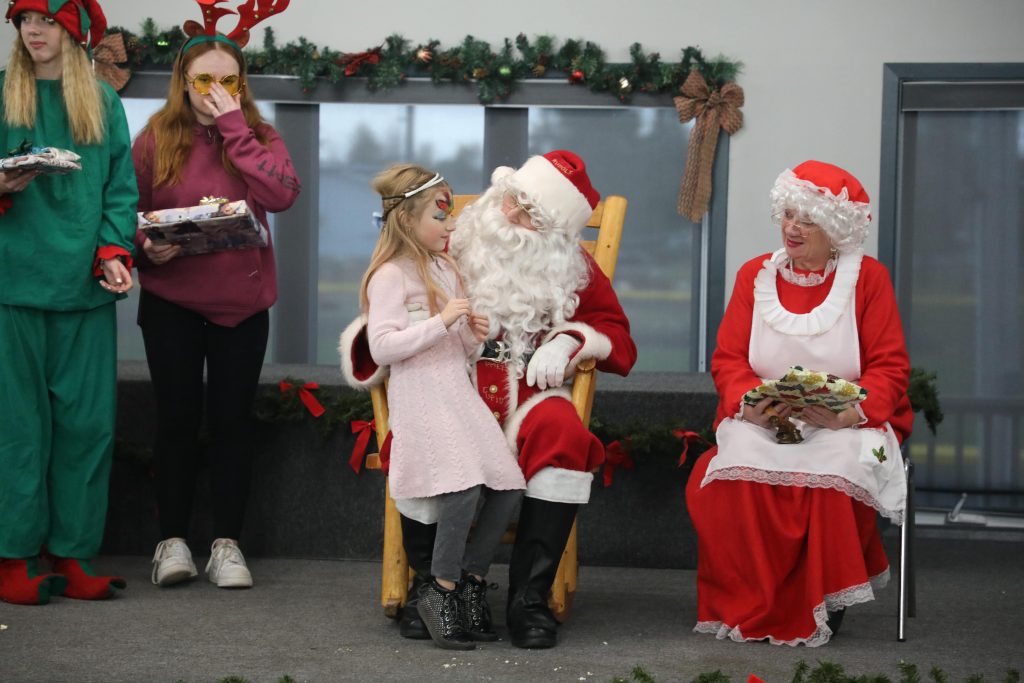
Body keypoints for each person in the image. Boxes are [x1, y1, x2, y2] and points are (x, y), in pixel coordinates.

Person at [341, 150, 637, 648]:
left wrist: (572, 339)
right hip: (448, 384)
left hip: (527, 394)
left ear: (558, 233)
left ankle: (528, 599)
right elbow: (386, 311)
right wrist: (397, 335)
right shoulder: (448, 241)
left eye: (531, 216)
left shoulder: (573, 266)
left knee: (564, 435)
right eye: (513, 201)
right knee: (426, 435)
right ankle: (429, 589)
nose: (513, 217)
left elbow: (619, 338)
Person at [685, 160, 913, 646]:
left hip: (861, 427)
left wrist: (849, 413)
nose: (792, 227)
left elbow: (890, 368)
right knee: (728, 472)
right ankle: (753, 602)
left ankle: (824, 595)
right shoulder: (755, 275)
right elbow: (728, 358)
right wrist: (749, 402)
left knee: (839, 472)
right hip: (765, 419)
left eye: (806, 219)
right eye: (788, 214)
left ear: (835, 230)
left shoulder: (868, 280)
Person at [133, 15, 300, 590]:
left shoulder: (259, 135)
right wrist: (142, 247)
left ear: (242, 85)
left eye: (228, 82)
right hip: (171, 299)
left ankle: (228, 544)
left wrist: (234, 126)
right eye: (204, 82)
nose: (216, 92)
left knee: (232, 422)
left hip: (242, 304)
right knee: (176, 420)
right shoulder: (157, 136)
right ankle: (172, 541)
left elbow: (280, 195)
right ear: (183, 82)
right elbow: (126, 210)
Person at [0, 0, 137, 605]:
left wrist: (112, 250)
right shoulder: (3, 97)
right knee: (17, 428)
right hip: (14, 287)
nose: (33, 30)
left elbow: (118, 188)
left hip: (83, 291)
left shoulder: (102, 103)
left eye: (45, 20)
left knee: (86, 428)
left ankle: (73, 554)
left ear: (71, 30)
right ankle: (14, 558)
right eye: (24, 20)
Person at [361, 163, 526, 650]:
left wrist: (470, 338)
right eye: (441, 217)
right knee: (463, 485)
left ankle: (470, 581)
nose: (451, 225)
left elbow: (456, 350)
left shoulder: (447, 269)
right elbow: (383, 349)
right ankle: (441, 589)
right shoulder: (389, 276)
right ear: (407, 220)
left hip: (458, 393)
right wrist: (440, 322)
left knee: (507, 485)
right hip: (421, 401)